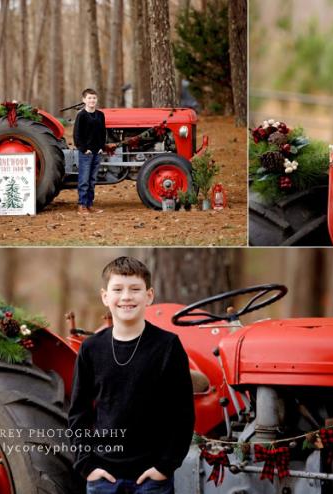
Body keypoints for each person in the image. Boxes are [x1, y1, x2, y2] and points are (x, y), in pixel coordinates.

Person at [68, 256, 195, 494]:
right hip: (103, 477)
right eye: (118, 289)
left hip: (151, 478)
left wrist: (164, 466)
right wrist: (87, 464)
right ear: (105, 296)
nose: (126, 296)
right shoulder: (91, 349)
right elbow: (79, 412)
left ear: (149, 295)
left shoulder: (167, 346)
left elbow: (182, 413)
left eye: (135, 289)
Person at [74, 88, 107, 214]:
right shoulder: (81, 115)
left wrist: (101, 147)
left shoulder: (100, 115)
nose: (92, 100)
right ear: (84, 100)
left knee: (92, 180)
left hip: (97, 152)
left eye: (94, 98)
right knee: (84, 180)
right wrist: (83, 149)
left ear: (96, 99)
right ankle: (81, 205)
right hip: (85, 153)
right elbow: (77, 135)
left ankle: (89, 204)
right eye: (89, 98)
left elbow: (103, 133)